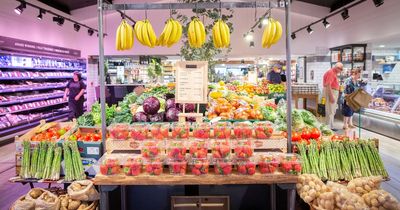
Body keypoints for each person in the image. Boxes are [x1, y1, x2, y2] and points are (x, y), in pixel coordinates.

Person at [323, 62, 343, 131]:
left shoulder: (333, 73)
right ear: (338, 68)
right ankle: (328, 128)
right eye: (341, 69)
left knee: (332, 110)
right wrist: (331, 96)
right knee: (330, 110)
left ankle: (331, 126)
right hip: (331, 92)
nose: (341, 71)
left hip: (333, 91)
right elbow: (328, 85)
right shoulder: (331, 72)